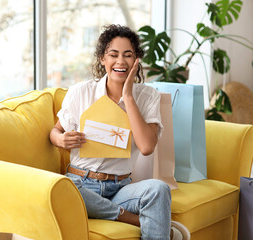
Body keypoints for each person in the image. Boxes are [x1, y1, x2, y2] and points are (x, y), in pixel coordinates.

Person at [49, 24, 190, 240]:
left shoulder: (147, 96)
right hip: (81, 183)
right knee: (65, 191)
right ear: (102, 59)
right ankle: (130, 218)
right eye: (113, 55)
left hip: (120, 188)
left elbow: (146, 147)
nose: (120, 61)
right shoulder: (81, 92)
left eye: (128, 55)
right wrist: (61, 139)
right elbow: (55, 132)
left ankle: (116, 212)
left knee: (158, 190)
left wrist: (129, 96)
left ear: (136, 61)